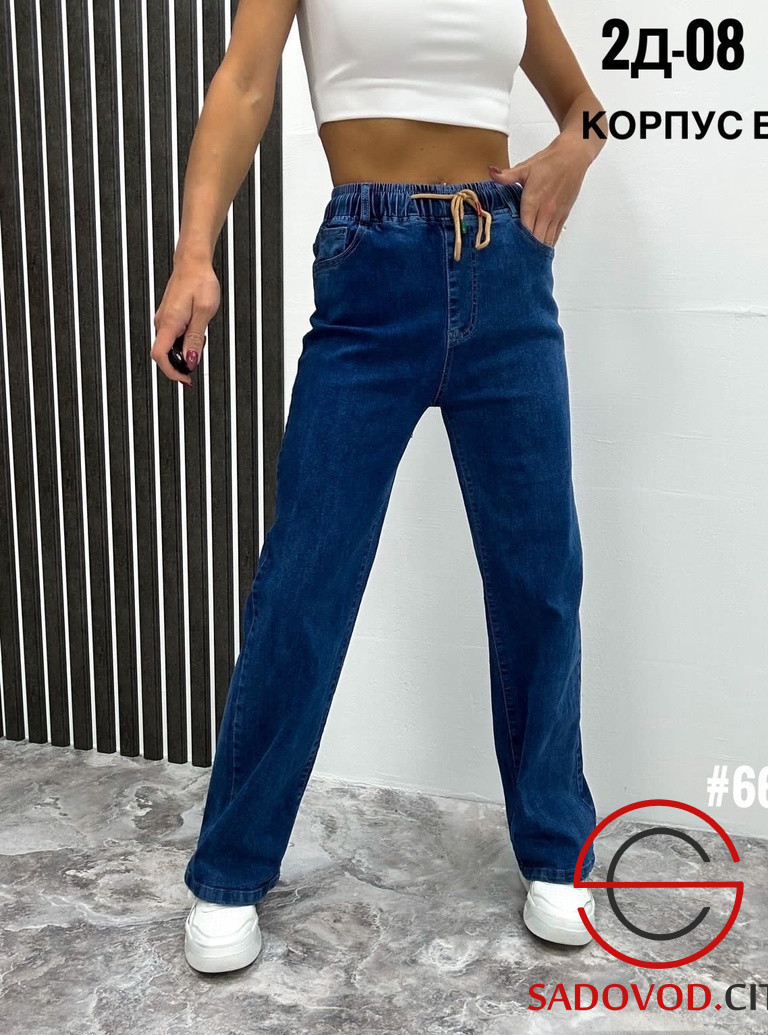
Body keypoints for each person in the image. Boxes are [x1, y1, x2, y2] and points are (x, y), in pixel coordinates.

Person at [150, 0, 608, 974]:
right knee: (303, 585)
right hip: (370, 271)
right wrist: (195, 253)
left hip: (506, 272)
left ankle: (558, 845)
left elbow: (585, 108)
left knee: (539, 579)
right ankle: (230, 868)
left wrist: (575, 149)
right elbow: (244, 81)